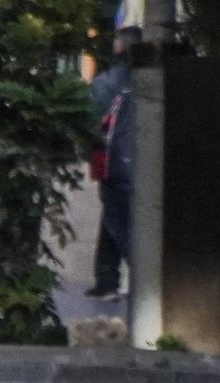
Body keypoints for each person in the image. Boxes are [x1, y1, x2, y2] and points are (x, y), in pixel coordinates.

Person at [86, 25, 141, 300]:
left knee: (119, 220)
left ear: (119, 48)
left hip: (113, 162)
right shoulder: (150, 80)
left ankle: (144, 282)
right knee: (113, 218)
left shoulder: (107, 83)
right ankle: (106, 278)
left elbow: (89, 119)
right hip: (140, 161)